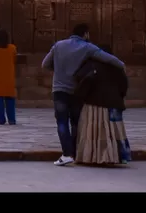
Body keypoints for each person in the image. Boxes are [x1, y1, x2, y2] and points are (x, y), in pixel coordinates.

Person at [42, 23, 125, 166]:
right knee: (76, 122)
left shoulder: (58, 46)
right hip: (76, 90)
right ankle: (74, 152)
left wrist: (58, 71)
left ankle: (66, 154)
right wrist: (121, 65)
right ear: (85, 34)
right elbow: (108, 58)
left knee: (62, 122)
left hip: (59, 89)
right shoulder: (87, 47)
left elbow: (45, 64)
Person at [74, 45, 131, 166]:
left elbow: (80, 81)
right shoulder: (117, 67)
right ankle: (114, 155)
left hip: (93, 104)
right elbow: (124, 85)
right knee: (113, 131)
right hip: (113, 104)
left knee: (93, 131)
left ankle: (92, 156)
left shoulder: (90, 66)